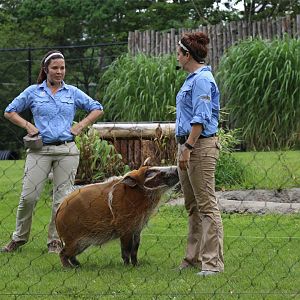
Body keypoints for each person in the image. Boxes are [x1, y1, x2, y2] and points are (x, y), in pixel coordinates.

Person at [1, 50, 104, 254]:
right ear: (45, 69)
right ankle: (19, 238)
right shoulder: (33, 92)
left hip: (67, 150)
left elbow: (97, 108)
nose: (59, 72)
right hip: (40, 151)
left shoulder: (72, 92)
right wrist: (29, 126)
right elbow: (9, 111)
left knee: (62, 200)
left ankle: (55, 241)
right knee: (28, 197)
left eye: (62, 68)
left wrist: (80, 126)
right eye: (55, 68)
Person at [175, 32, 224, 276]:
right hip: (186, 145)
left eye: (178, 52)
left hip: (199, 146)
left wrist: (188, 148)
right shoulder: (190, 79)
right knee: (192, 205)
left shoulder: (203, 80)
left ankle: (212, 264)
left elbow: (201, 117)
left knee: (207, 205)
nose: (176, 56)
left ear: (187, 55)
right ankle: (192, 258)